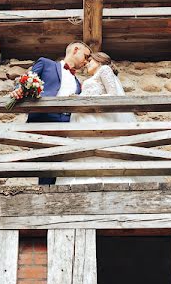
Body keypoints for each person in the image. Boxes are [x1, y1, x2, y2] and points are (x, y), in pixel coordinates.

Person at [58, 51, 141, 185]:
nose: (86, 65)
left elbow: (113, 95)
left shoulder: (105, 69)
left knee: (99, 150)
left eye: (90, 61)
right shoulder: (92, 77)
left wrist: (86, 100)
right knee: (84, 152)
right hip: (84, 121)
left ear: (99, 60)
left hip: (97, 120)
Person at [27, 41, 91, 184]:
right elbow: (25, 83)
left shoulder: (78, 84)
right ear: (75, 50)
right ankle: (44, 196)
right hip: (44, 121)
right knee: (45, 165)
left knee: (58, 167)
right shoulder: (46, 64)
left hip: (68, 127)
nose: (86, 62)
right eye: (86, 56)